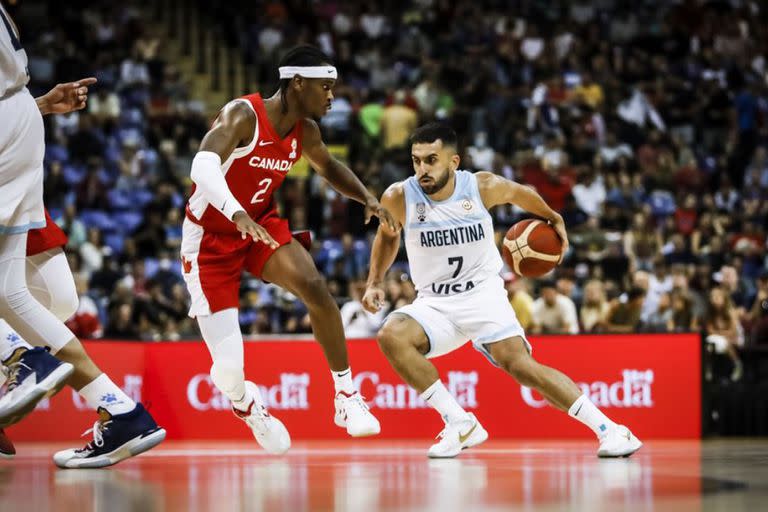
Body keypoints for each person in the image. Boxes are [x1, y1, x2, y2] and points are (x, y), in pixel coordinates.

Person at [362, 123, 641, 458]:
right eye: (416, 160)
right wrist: (375, 281)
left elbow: (520, 193)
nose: (422, 168)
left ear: (453, 162)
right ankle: (460, 423)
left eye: (431, 160)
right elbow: (388, 236)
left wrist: (553, 218)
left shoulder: (481, 186)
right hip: (434, 303)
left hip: (483, 296)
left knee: (520, 366)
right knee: (391, 334)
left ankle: (611, 430)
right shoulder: (398, 196)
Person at [180, 45, 397, 453]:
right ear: (298, 83)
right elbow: (202, 165)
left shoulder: (307, 131)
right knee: (228, 371)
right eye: (325, 87)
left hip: (260, 225)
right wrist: (235, 212)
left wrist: (365, 197)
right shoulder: (243, 114)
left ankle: (346, 397)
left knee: (316, 288)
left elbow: (329, 167)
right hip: (210, 238)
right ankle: (246, 404)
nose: (332, 96)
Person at [0, 3, 164, 467]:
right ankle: (121, 409)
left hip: (11, 120)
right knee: (15, 293)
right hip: (20, 120)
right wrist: (38, 106)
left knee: (36, 303)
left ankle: (17, 358)